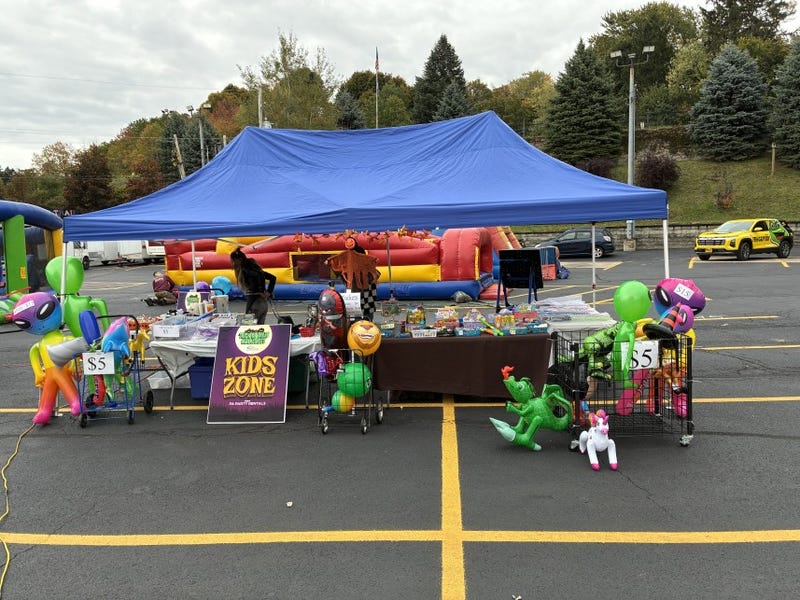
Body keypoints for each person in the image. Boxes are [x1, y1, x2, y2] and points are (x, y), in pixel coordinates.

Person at [230, 248, 276, 324]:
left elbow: (256, 278)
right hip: (263, 304)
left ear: (240, 260)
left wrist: (259, 291)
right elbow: (272, 278)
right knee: (259, 330)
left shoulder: (245, 271)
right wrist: (268, 292)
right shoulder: (256, 269)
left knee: (248, 329)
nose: (233, 263)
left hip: (254, 303)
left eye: (233, 261)